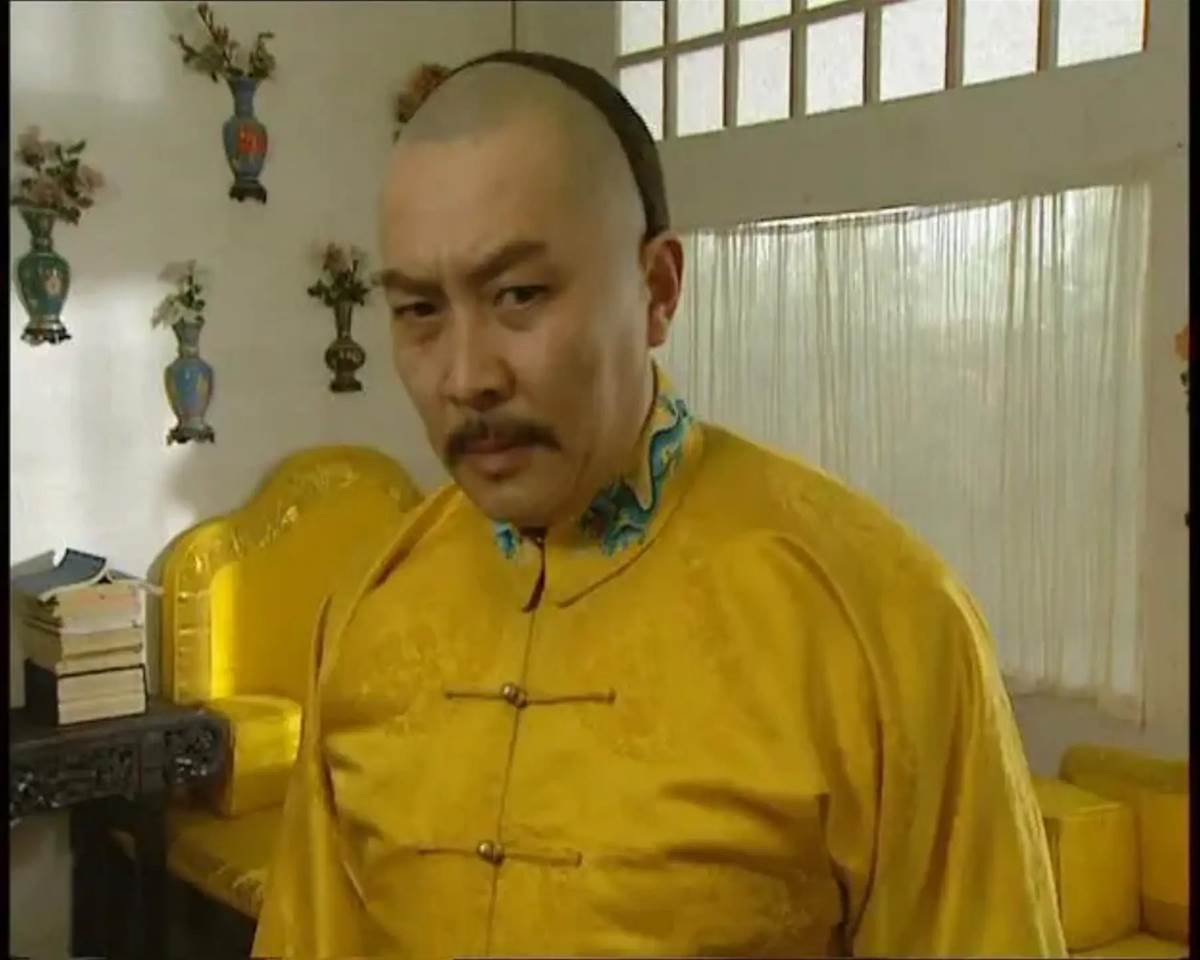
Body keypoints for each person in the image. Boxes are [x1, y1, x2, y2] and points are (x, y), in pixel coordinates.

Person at [253, 51, 1067, 958]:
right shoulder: (369, 611)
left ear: (658, 290)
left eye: (519, 295)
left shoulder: (883, 620)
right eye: (419, 311)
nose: (467, 376)